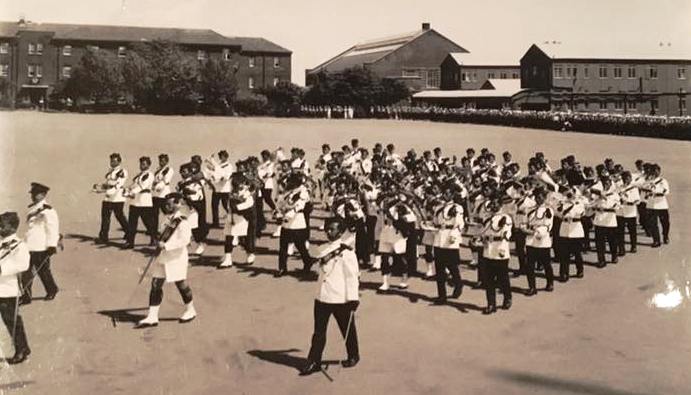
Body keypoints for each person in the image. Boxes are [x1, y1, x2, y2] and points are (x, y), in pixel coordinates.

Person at [300, 217, 359, 376]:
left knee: (346, 328)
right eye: (327, 228)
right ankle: (314, 361)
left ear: (340, 232)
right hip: (322, 296)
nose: (328, 232)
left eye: (332, 229)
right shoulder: (323, 248)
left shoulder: (347, 253)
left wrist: (353, 298)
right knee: (319, 332)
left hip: (340, 298)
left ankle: (353, 355)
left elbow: (352, 276)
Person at [136, 193, 196, 328]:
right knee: (156, 284)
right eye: (166, 204)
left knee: (181, 284)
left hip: (176, 257)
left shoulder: (183, 221)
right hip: (163, 257)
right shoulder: (166, 219)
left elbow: (185, 241)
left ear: (178, 203)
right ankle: (152, 316)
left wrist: (167, 246)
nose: (167, 206)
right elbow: (161, 234)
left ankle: (190, 309)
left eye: (170, 203)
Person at [0, 212, 32, 364]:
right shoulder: (1, 243)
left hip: (7, 289)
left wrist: (2, 269)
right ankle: (23, 348)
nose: (0, 228)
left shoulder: (20, 245)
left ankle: (21, 350)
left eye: (2, 225)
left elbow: (23, 265)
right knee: (11, 320)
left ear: (12, 227)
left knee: (12, 321)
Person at [22, 182, 60, 305]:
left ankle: (52, 290)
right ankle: (26, 296)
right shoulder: (33, 208)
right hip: (29, 245)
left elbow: (52, 228)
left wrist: (52, 245)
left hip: (41, 247)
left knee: (43, 271)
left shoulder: (48, 210)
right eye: (32, 193)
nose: (33, 196)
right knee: (25, 272)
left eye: (36, 194)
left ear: (43, 194)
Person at [431, 186, 464, 304]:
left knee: (452, 266)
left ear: (452, 195)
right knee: (439, 269)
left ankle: (458, 283)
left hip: (450, 238)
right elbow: (435, 222)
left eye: (448, 193)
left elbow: (459, 224)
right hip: (439, 238)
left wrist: (454, 236)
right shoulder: (438, 208)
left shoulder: (457, 207)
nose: (445, 195)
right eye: (444, 192)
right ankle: (442, 296)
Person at [275, 174, 313, 277]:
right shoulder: (288, 191)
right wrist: (278, 212)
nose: (288, 183)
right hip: (286, 223)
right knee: (283, 246)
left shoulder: (303, 192)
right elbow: (281, 203)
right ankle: (282, 268)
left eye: (291, 181)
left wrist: (286, 216)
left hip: (297, 222)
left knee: (300, 246)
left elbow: (299, 207)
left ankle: (308, 261)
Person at [480, 197, 513, 315]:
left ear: (500, 205)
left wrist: (505, 235)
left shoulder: (506, 218)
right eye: (492, 204)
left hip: (500, 249)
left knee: (503, 278)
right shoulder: (488, 218)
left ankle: (507, 297)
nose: (493, 206)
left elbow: (507, 232)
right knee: (489, 280)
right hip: (489, 249)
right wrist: (481, 240)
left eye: (495, 204)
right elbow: (483, 232)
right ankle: (491, 304)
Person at [219, 175, 256, 268]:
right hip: (231, 218)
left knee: (245, 238)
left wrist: (238, 207)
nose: (236, 187)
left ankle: (250, 253)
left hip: (242, 218)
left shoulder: (247, 193)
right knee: (228, 238)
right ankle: (228, 259)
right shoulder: (232, 192)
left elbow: (249, 204)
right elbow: (228, 204)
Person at [523, 188, 554, 295]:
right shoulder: (530, 209)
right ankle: (532, 287)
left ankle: (550, 282)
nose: (538, 199)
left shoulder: (548, 210)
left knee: (546, 264)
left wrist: (535, 233)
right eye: (536, 197)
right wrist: (524, 229)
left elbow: (547, 226)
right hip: (531, 241)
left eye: (540, 197)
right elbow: (524, 222)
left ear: (544, 198)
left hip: (542, 241)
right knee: (530, 265)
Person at [94, 153, 129, 244]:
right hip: (108, 198)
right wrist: (100, 186)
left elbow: (118, 185)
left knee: (119, 216)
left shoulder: (122, 171)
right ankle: (103, 236)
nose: (112, 163)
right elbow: (108, 183)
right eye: (111, 161)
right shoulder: (110, 171)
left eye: (114, 161)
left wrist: (106, 191)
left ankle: (129, 232)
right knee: (105, 217)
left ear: (119, 161)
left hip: (117, 197)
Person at [123, 156, 156, 249]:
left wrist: (131, 192)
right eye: (141, 163)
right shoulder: (139, 175)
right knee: (132, 223)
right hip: (135, 201)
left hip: (144, 201)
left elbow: (142, 186)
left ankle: (154, 238)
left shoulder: (149, 175)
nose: (142, 165)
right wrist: (127, 189)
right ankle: (130, 242)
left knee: (148, 222)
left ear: (149, 165)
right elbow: (134, 184)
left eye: (144, 164)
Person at [592, 176, 620, 267]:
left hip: (610, 220)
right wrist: (596, 206)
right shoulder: (597, 195)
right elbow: (592, 204)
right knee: (600, 243)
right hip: (599, 220)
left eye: (608, 183)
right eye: (605, 183)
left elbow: (618, 206)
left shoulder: (614, 194)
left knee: (612, 241)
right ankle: (601, 260)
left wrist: (613, 206)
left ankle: (614, 255)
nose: (607, 185)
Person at [642, 164, 670, 247]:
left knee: (665, 223)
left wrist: (656, 190)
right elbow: (644, 188)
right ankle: (656, 240)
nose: (655, 172)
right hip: (651, 204)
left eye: (657, 171)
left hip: (662, 204)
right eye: (653, 171)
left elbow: (666, 191)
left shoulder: (663, 181)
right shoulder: (648, 180)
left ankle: (665, 235)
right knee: (653, 224)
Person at [616, 171, 640, 255]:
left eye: (628, 178)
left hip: (631, 212)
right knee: (620, 232)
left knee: (632, 231)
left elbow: (637, 200)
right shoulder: (619, 188)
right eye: (624, 178)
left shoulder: (634, 188)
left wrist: (630, 201)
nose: (626, 180)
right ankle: (621, 249)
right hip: (620, 213)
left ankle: (633, 246)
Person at [210, 150, 234, 228]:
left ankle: (232, 219)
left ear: (226, 157)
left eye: (222, 156)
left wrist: (220, 178)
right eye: (220, 156)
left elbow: (227, 176)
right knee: (214, 206)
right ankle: (215, 223)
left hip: (225, 189)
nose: (221, 158)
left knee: (226, 206)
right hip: (217, 188)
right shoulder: (219, 164)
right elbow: (215, 170)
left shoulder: (229, 166)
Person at [152, 154, 174, 235]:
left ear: (167, 161)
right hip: (156, 195)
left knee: (168, 213)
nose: (161, 162)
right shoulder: (158, 170)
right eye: (160, 160)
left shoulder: (169, 169)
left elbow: (165, 181)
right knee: (154, 214)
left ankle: (170, 229)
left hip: (164, 194)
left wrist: (157, 186)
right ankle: (154, 231)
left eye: (163, 160)